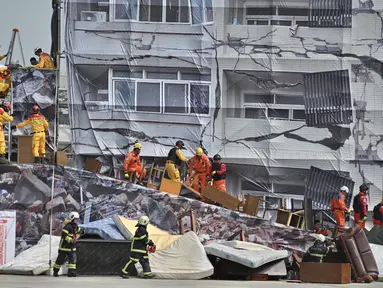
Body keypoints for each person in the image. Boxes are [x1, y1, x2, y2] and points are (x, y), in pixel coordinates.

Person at [53, 212, 81, 277]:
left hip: (72, 247)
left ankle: (71, 273)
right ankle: (55, 271)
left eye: (77, 219)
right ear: (72, 219)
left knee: (73, 260)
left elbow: (79, 232)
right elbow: (64, 235)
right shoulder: (67, 226)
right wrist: (70, 240)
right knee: (60, 260)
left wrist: (77, 236)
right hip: (64, 247)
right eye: (75, 219)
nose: (77, 221)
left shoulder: (76, 227)